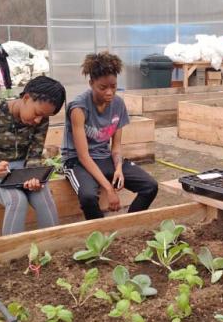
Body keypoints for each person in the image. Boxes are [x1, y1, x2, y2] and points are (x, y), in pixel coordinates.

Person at [62, 52, 159, 219]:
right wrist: (109, 188)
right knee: (88, 197)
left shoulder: (118, 104)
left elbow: (115, 147)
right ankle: (100, 238)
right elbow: (83, 156)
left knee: (150, 186)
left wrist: (119, 169)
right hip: (77, 161)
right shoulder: (79, 108)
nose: (109, 92)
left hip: (104, 157)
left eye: (113, 86)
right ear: (91, 83)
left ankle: (127, 227)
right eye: (103, 87)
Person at [0, 76, 66, 235]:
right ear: (26, 98)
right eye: (37, 113)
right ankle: (12, 256)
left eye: (44, 117)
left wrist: (34, 176)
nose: (38, 120)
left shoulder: (41, 120)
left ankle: (52, 248)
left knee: (43, 196)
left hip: (20, 172)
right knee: (17, 200)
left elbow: (34, 153)